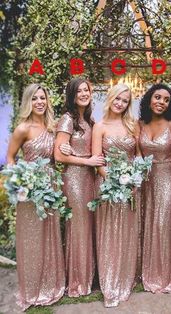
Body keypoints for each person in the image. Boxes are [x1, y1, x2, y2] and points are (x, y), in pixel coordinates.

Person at [7, 83, 65, 310]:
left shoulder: (53, 127)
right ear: (28, 102)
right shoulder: (23, 128)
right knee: (31, 238)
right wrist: (20, 185)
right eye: (35, 98)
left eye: (43, 98)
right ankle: (31, 288)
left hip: (50, 187)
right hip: (30, 190)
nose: (40, 102)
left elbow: (59, 153)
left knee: (49, 235)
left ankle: (51, 285)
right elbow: (10, 158)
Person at [54, 77, 104, 297]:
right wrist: (87, 162)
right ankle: (78, 280)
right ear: (72, 95)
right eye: (79, 91)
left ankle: (90, 276)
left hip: (90, 179)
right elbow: (58, 156)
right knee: (79, 227)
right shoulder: (67, 120)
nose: (84, 93)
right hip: (74, 179)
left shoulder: (90, 121)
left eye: (87, 90)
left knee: (89, 226)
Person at [92, 83, 140, 307]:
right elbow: (97, 160)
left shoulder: (132, 125)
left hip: (131, 187)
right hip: (109, 186)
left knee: (128, 233)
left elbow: (138, 156)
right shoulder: (99, 126)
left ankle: (125, 278)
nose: (120, 103)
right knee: (110, 233)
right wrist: (113, 180)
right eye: (118, 99)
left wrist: (134, 180)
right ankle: (110, 283)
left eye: (125, 100)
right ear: (110, 98)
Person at [139, 83, 171, 293]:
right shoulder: (139, 124)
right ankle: (145, 271)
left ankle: (164, 275)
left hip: (167, 179)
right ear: (149, 99)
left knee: (163, 224)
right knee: (147, 222)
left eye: (166, 100)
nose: (161, 102)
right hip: (145, 180)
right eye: (157, 97)